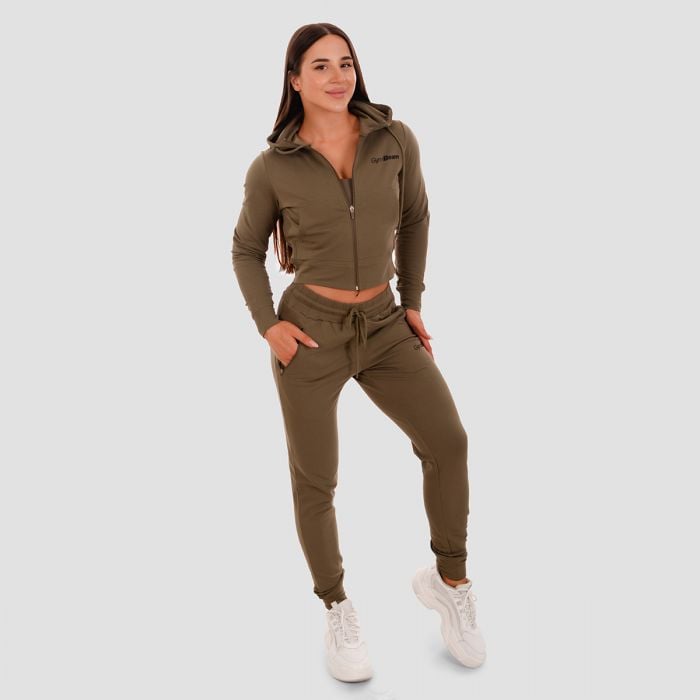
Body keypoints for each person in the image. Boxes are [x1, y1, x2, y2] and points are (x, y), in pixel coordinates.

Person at [231, 22, 486, 681]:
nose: (337, 76)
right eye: (320, 66)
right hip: (310, 331)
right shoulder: (273, 166)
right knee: (316, 478)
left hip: (384, 323)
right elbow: (245, 249)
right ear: (295, 80)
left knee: (448, 441)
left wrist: (412, 300)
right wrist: (269, 325)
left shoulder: (392, 139)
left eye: (345, 62)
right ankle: (336, 606)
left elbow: (416, 216)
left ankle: (451, 583)